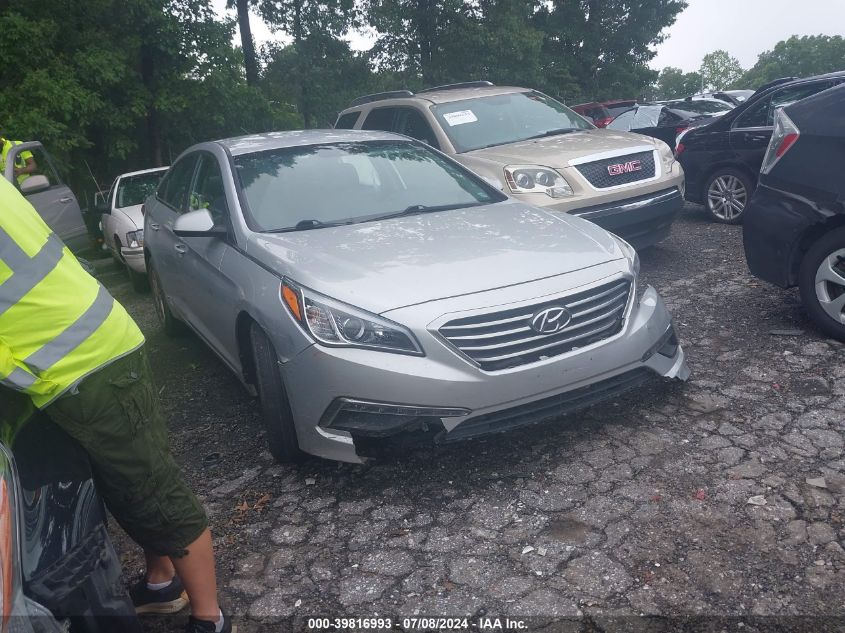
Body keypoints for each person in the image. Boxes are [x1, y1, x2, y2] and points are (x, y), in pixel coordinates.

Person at [0, 176, 233, 633]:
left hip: (86, 359)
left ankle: (211, 619)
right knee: (123, 482)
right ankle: (162, 583)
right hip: (70, 358)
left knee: (153, 491)